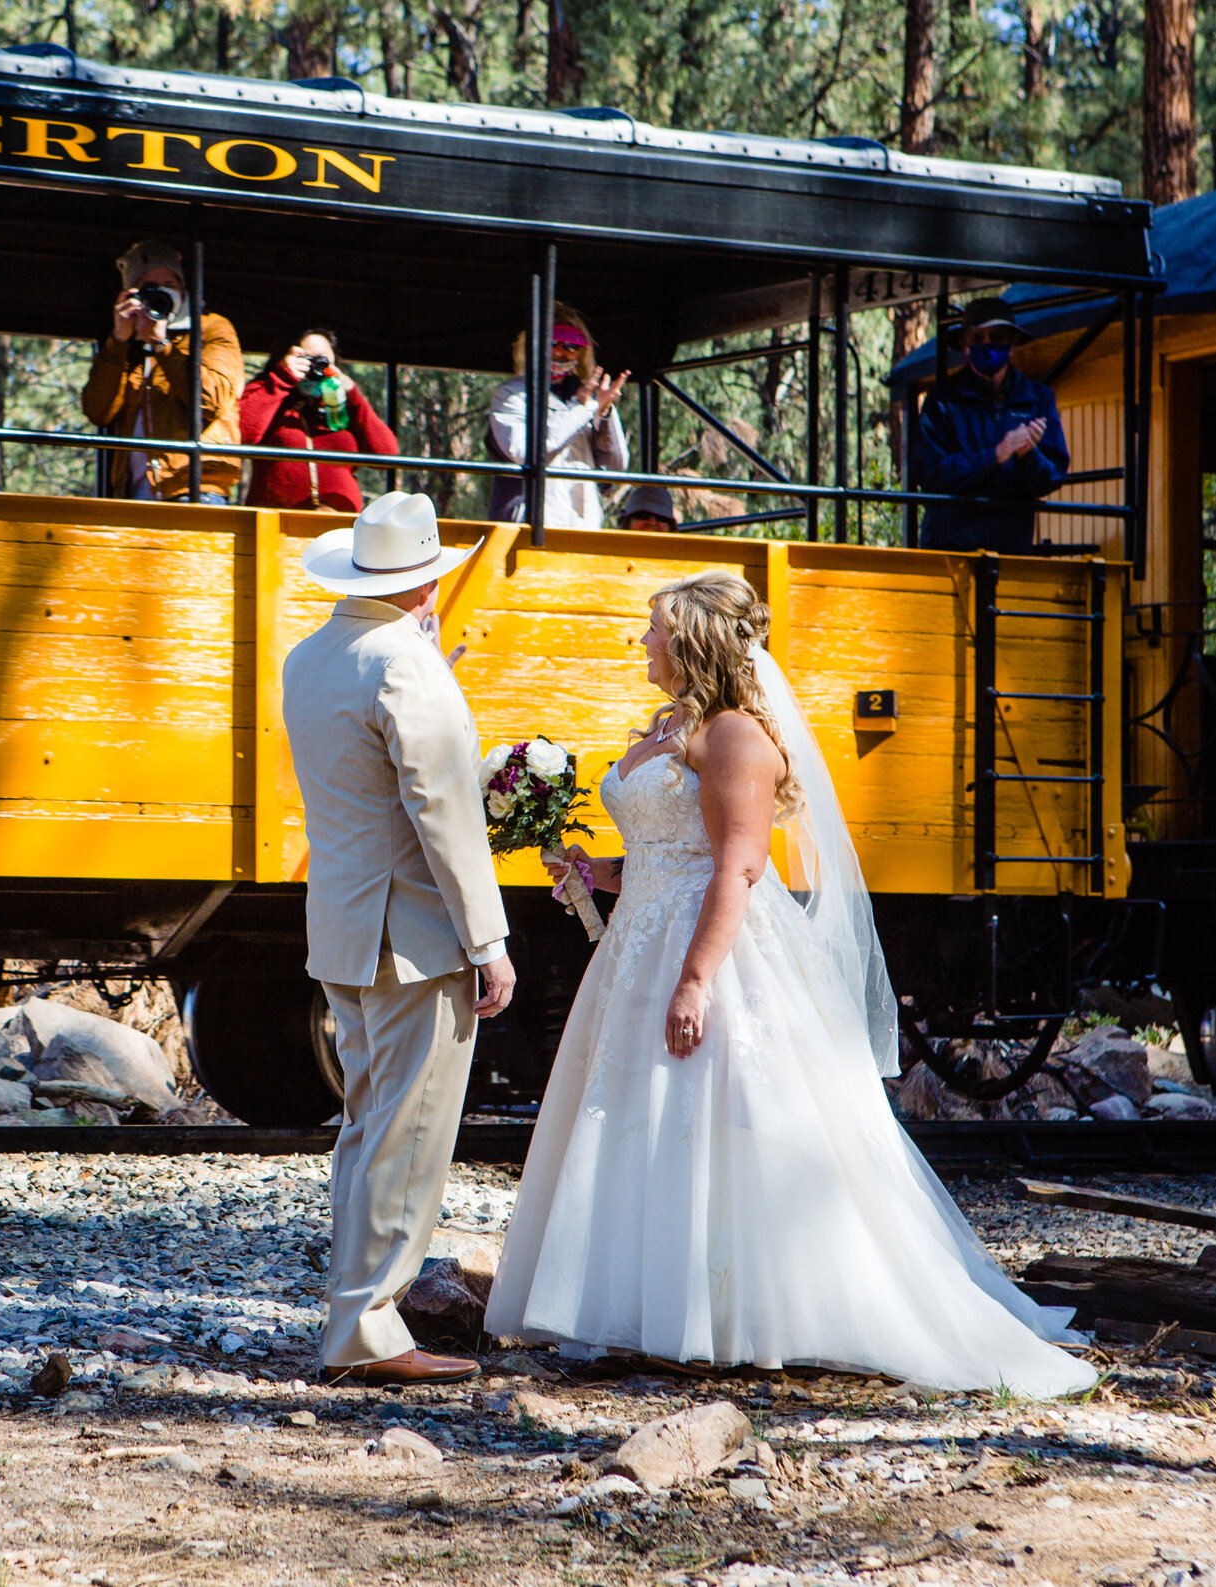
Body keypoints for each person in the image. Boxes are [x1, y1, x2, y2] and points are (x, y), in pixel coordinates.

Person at [482, 571, 1096, 1396]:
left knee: (719, 1119)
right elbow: (670, 859)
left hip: (714, 953)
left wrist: (696, 978)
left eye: (654, 628)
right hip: (638, 948)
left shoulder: (735, 735)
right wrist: (599, 873)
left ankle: (735, 1314)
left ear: (693, 639)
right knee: (644, 1125)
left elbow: (735, 867)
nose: (643, 641)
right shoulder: (672, 727)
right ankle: (646, 1310)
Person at [281, 490, 517, 1385]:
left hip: (344, 927)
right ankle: (369, 1329)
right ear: (426, 583)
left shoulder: (314, 655)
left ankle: (354, 1311)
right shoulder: (405, 663)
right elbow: (445, 812)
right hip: (412, 935)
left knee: (365, 1126)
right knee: (409, 1134)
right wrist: (488, 939)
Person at [79, 240, 241, 502]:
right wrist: (119, 342)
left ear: (184, 289)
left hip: (196, 490)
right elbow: (98, 411)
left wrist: (161, 345)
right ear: (132, 295)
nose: (162, 294)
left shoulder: (211, 328)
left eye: (170, 285)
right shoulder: (128, 346)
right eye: (150, 288)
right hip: (135, 497)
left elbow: (213, 401)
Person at [911, 298, 1069, 552]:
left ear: (1012, 344)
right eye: (977, 338)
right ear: (964, 345)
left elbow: (1052, 477)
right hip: (951, 548)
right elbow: (928, 472)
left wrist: (1028, 454)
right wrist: (994, 455)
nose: (987, 345)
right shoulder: (943, 401)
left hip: (1010, 550)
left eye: (996, 337)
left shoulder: (1038, 399)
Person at [485, 304, 650, 530]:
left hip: (583, 527)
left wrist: (603, 412)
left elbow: (613, 471)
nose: (560, 352)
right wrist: (581, 410)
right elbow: (525, 452)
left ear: (581, 353)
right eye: (552, 343)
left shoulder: (588, 398)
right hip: (528, 528)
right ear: (533, 345)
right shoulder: (511, 395)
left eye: (571, 345)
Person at [237, 329, 398, 513]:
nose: (314, 366)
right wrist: (282, 378)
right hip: (277, 525)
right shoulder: (269, 389)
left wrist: (353, 397)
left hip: (339, 522)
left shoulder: (345, 403)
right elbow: (241, 434)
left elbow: (387, 455)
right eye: (306, 358)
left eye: (322, 360)